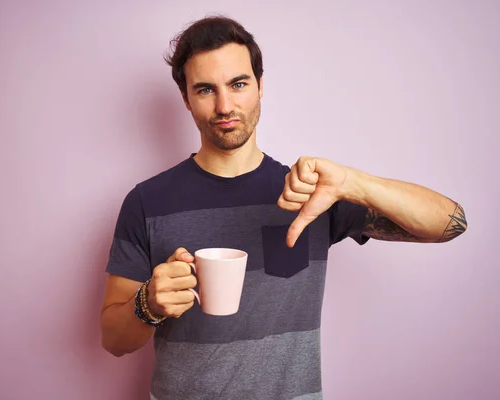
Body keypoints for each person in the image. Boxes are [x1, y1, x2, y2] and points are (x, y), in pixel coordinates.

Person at [100, 16, 467, 400]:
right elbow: (114, 339)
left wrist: (353, 184)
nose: (225, 105)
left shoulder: (314, 193)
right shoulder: (147, 201)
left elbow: (449, 223)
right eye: (206, 89)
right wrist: (148, 304)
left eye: (238, 84)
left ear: (260, 87)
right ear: (186, 99)